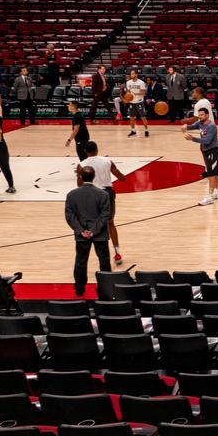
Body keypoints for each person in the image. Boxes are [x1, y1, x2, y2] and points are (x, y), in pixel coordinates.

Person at [65, 166, 113, 297]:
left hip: (81, 235)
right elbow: (105, 215)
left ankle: (79, 289)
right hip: (100, 234)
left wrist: (81, 231)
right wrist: (93, 230)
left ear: (81, 176)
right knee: (104, 261)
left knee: (80, 261)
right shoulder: (103, 194)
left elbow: (70, 216)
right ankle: (106, 288)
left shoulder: (72, 195)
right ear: (94, 176)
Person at [78, 141, 127, 266]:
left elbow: (79, 184)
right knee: (110, 223)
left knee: (93, 223)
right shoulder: (107, 161)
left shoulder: (82, 164)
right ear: (97, 149)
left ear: (85, 151)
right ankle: (117, 253)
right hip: (107, 193)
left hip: (92, 194)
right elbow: (121, 177)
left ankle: (92, 256)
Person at [184, 107, 218, 206]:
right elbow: (191, 126)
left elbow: (207, 141)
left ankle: (209, 197)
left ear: (207, 115)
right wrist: (185, 126)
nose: (200, 117)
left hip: (212, 151)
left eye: (202, 115)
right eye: (199, 115)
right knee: (214, 173)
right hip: (206, 151)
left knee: (211, 174)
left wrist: (192, 138)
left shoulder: (211, 126)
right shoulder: (200, 123)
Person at [122, 70, 148, 138]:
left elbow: (144, 92)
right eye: (131, 74)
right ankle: (133, 131)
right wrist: (126, 99)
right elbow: (128, 92)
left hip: (139, 101)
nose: (131, 75)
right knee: (131, 118)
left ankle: (146, 130)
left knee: (143, 117)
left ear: (136, 75)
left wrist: (137, 94)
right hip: (131, 102)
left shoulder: (141, 82)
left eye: (133, 74)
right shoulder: (128, 82)